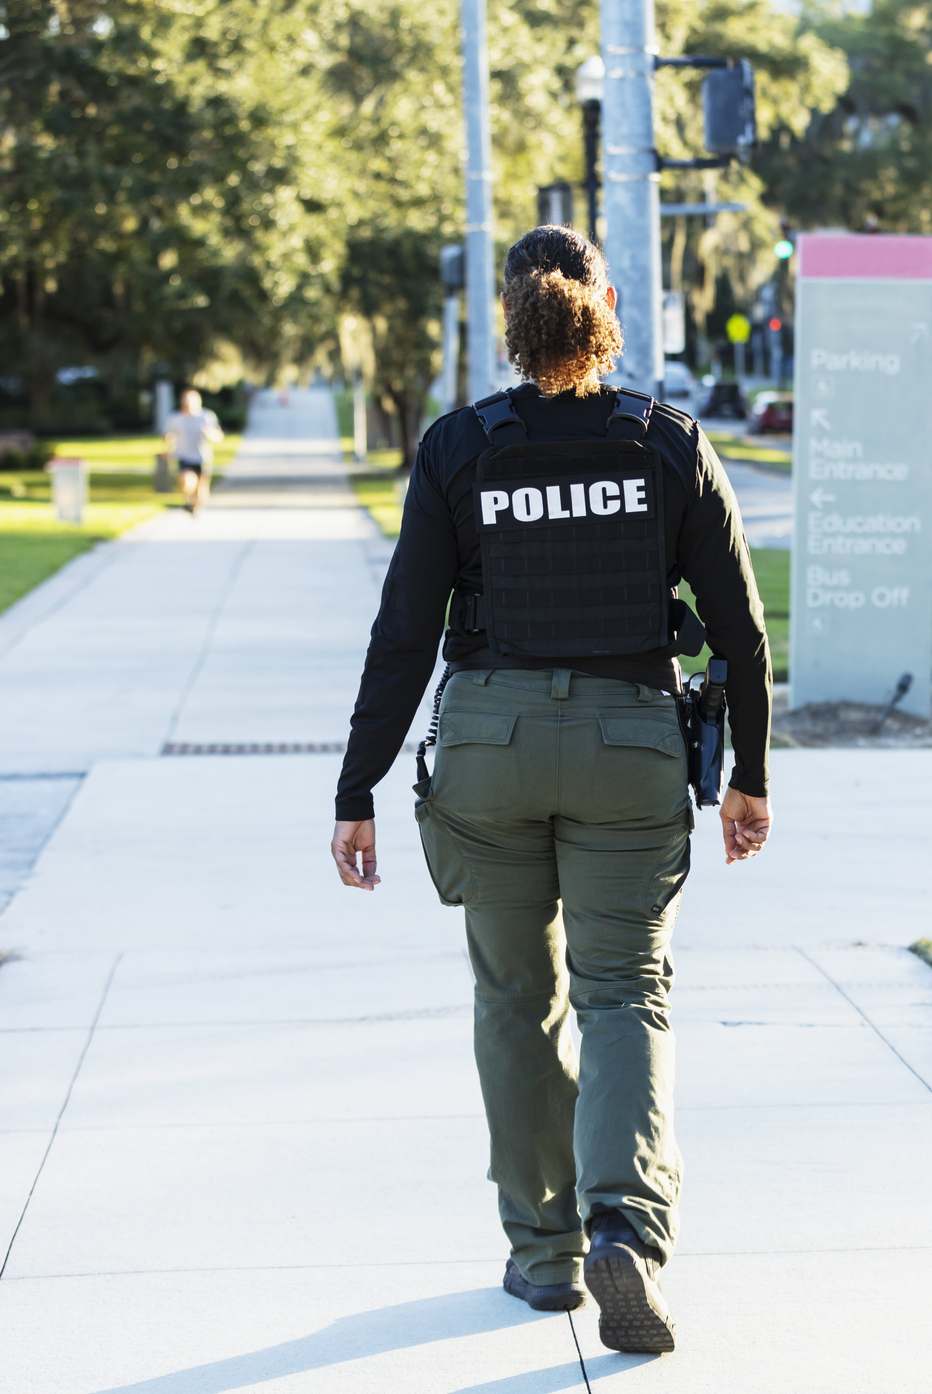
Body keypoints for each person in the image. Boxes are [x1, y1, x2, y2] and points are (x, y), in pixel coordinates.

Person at [328, 224, 773, 1355]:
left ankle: (542, 1256)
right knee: (623, 986)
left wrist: (357, 784)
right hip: (630, 744)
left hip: (491, 742)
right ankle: (624, 1218)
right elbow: (738, 630)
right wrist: (748, 777)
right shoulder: (665, 441)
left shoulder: (459, 447)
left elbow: (402, 633)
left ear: (510, 315)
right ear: (606, 302)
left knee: (513, 996)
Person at [163, 388, 224, 515]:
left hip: (202, 457)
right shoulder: (175, 418)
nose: (188, 402)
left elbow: (218, 435)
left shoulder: (206, 416)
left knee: (202, 492)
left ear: (198, 401)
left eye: (191, 399)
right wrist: (168, 439)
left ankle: (195, 507)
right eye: (185, 399)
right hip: (184, 456)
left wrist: (210, 434)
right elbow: (167, 435)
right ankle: (190, 501)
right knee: (186, 482)